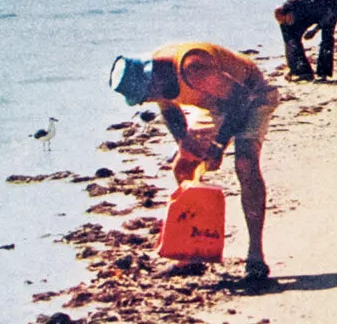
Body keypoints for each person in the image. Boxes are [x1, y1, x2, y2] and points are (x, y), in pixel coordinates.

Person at [109, 42, 280, 280]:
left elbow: (240, 100)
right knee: (184, 166)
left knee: (245, 162)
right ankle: (193, 254)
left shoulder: (193, 67)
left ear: (152, 77)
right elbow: (169, 110)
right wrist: (183, 142)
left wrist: (219, 145)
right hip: (213, 101)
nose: (147, 100)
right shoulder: (157, 77)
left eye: (146, 95)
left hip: (252, 96)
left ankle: (255, 256)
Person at [274, 0, 337, 81]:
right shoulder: (285, 15)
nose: (287, 24)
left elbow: (327, 18)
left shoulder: (304, 7)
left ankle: (324, 73)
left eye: (287, 20)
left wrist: (315, 30)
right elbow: (288, 40)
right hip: (307, 10)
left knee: (327, 37)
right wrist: (292, 66)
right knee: (290, 35)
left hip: (332, 2)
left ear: (290, 14)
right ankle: (302, 72)